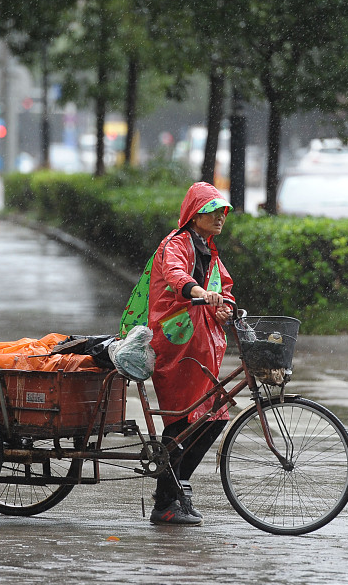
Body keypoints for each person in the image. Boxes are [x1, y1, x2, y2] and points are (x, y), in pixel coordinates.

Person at [145, 182, 234, 526]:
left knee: (216, 417)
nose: (219, 218)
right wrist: (197, 291)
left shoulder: (209, 250)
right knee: (182, 420)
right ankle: (165, 502)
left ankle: (177, 488)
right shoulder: (176, 244)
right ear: (194, 215)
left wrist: (225, 306)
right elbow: (175, 275)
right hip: (178, 343)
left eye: (222, 212)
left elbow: (223, 288)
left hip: (202, 344)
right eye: (212, 212)